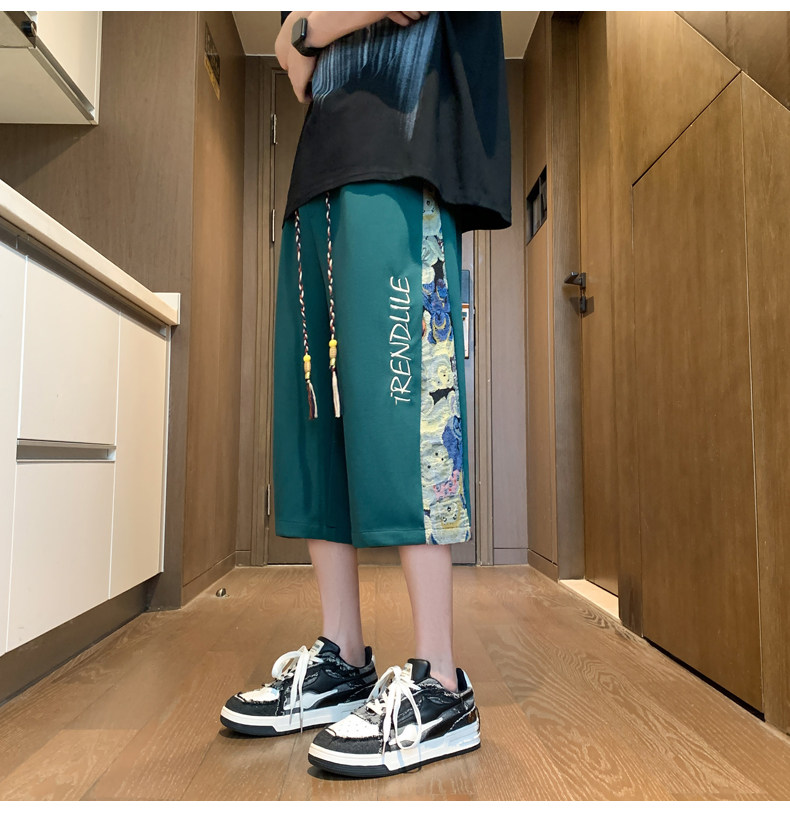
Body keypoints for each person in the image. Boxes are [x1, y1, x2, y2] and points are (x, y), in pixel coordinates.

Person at [220, 10, 511, 778]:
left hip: (400, 151)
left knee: (407, 416)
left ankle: (441, 682)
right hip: (320, 170)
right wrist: (307, 30)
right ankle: (343, 657)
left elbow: (312, 34)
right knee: (316, 418)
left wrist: (309, 27)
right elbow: (293, 57)